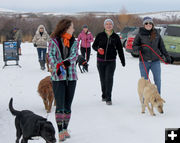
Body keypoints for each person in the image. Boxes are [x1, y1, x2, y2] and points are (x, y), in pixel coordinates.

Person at [48, 19, 78, 142]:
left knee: (68, 105)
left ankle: (65, 128)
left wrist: (64, 64)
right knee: (60, 105)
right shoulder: (53, 41)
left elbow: (74, 56)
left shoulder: (74, 42)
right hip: (57, 77)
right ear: (65, 28)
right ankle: (60, 130)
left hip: (71, 76)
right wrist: (58, 66)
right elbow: (51, 56)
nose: (74, 29)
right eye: (72, 27)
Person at [132, 17, 172, 94]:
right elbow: (134, 47)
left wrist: (167, 56)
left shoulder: (156, 34)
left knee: (157, 80)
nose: (148, 25)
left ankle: (157, 97)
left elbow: (162, 47)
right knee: (145, 81)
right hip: (144, 62)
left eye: (150, 23)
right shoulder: (139, 34)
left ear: (152, 24)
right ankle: (145, 98)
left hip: (155, 62)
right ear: (144, 25)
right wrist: (138, 48)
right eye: (146, 23)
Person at [92, 19, 125, 105]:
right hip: (100, 61)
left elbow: (120, 50)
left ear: (112, 26)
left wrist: (123, 61)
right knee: (103, 79)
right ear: (104, 26)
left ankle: (108, 98)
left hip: (111, 61)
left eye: (110, 24)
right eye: (107, 24)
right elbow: (94, 46)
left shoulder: (116, 37)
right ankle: (104, 94)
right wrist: (98, 49)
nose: (108, 25)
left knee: (109, 79)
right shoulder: (100, 35)